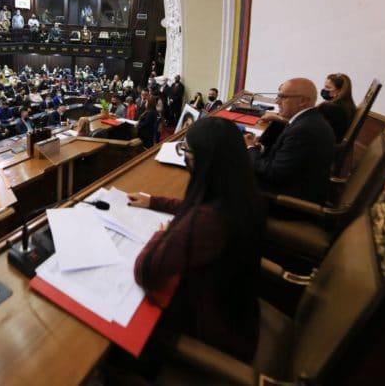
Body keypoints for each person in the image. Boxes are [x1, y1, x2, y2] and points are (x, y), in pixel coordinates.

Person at [128, 117, 264, 362]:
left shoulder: (208, 221)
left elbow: (146, 270)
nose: (184, 156)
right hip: (236, 308)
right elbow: (197, 202)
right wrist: (154, 201)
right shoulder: (240, 190)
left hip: (210, 327)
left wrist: (162, 233)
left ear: (205, 160)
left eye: (186, 151)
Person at [246, 77, 335, 205]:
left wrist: (250, 148)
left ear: (303, 101)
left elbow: (272, 174)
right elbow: (285, 160)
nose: (277, 101)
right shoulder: (309, 120)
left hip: (289, 203)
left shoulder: (304, 130)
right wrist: (259, 148)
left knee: (227, 173)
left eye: (283, 97)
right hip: (296, 187)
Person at [317, 73, 356, 142]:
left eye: (328, 87)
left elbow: (316, 129)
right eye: (324, 86)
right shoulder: (347, 105)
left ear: (339, 91)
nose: (324, 89)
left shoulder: (332, 108)